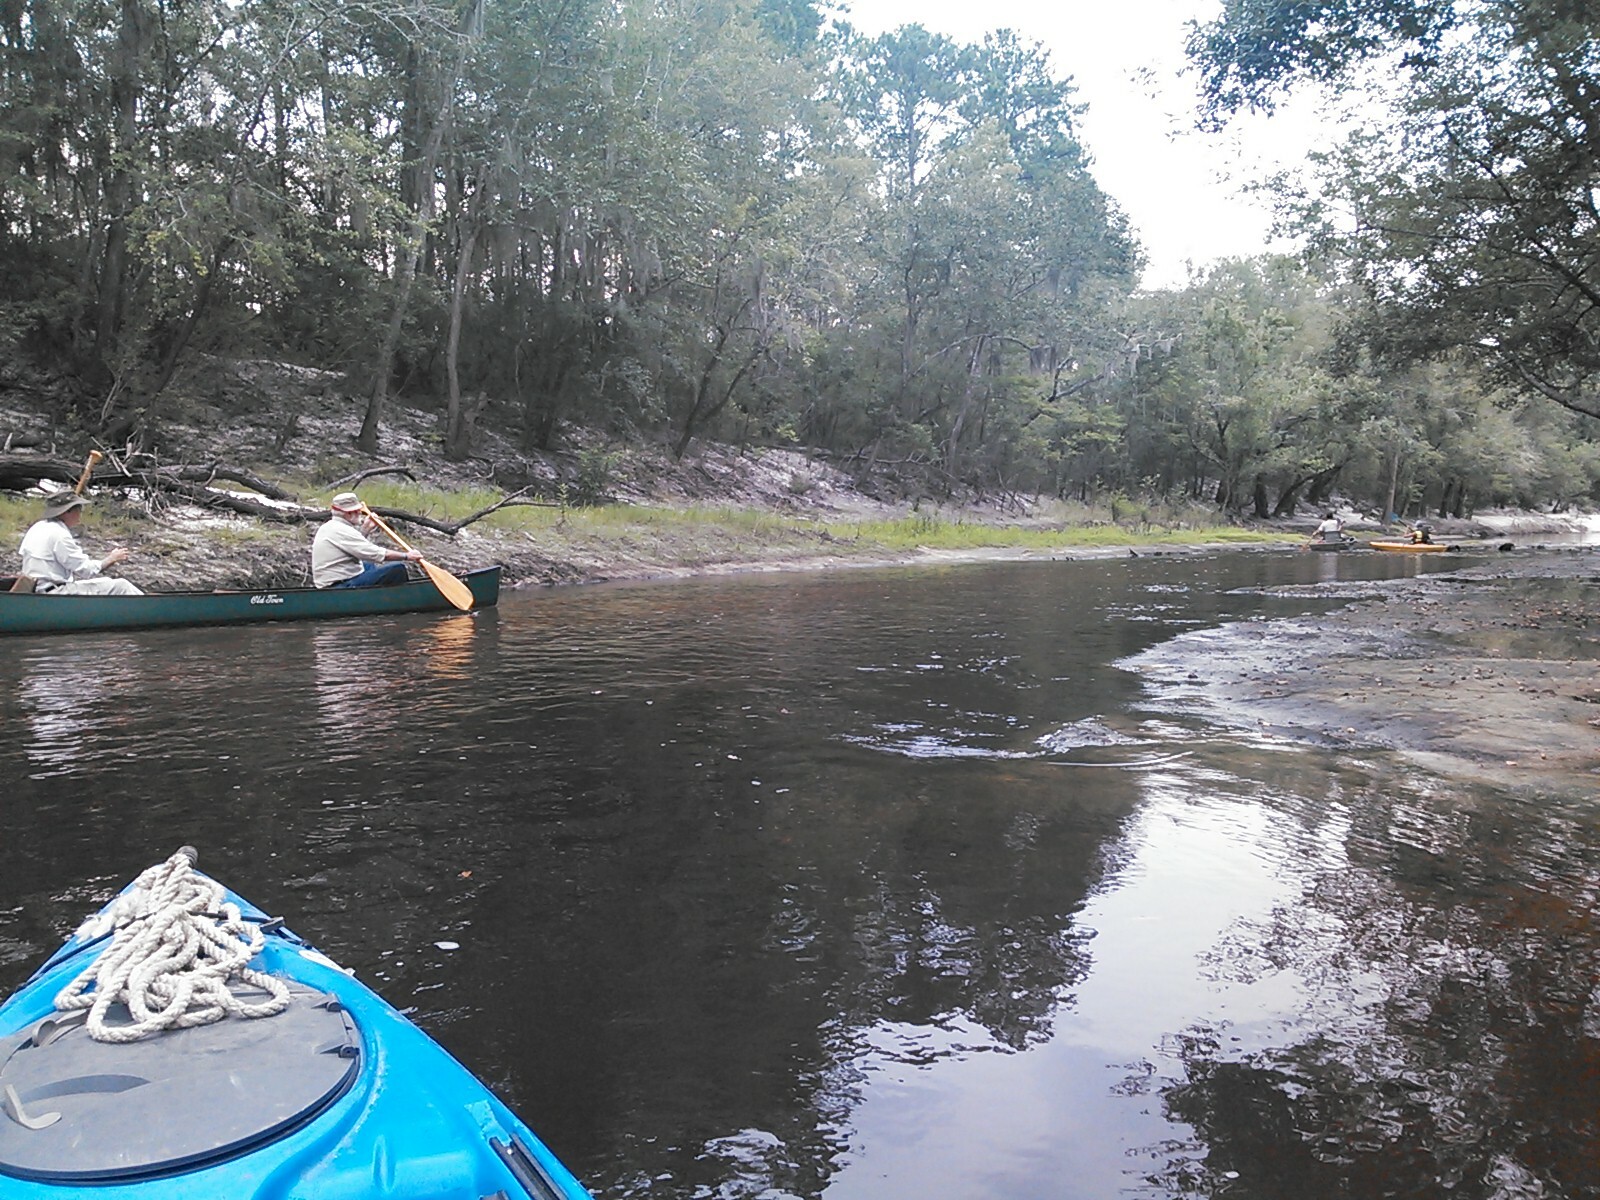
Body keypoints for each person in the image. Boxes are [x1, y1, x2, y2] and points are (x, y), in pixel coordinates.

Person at [18, 493, 143, 595]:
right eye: (78, 510)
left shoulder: (38, 527)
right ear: (66, 512)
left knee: (107, 581)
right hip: (55, 592)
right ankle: (150, 608)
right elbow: (85, 570)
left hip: (37, 588)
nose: (80, 514)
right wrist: (111, 559)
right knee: (121, 585)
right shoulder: (60, 535)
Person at [311, 492, 421, 588]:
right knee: (398, 569)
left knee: (368, 565)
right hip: (339, 585)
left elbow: (355, 546)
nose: (360, 513)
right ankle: (397, 600)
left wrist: (366, 529)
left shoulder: (331, 526)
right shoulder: (341, 530)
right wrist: (407, 556)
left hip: (340, 579)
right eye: (357, 511)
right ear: (349, 513)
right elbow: (376, 553)